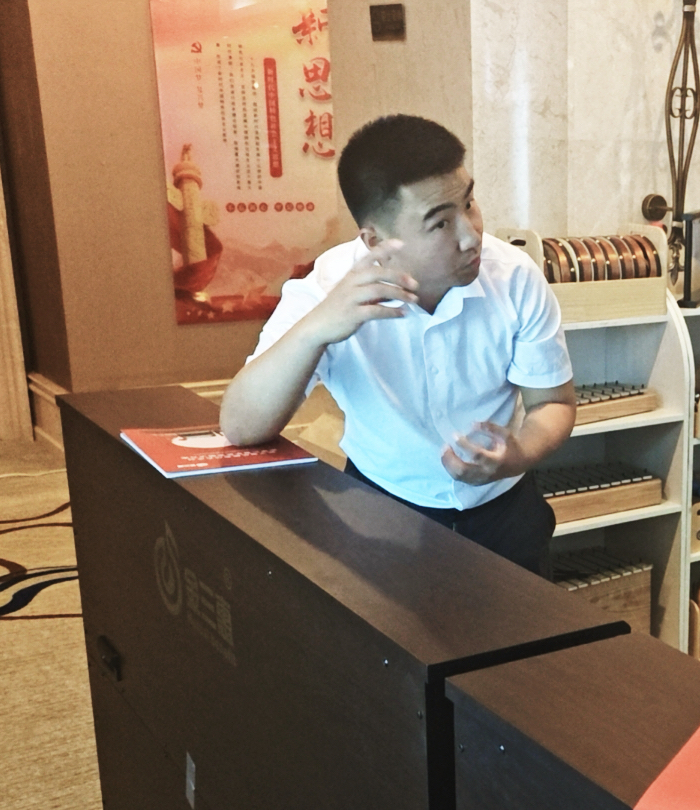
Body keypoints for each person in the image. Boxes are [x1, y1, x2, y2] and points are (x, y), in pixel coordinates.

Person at [220, 114, 575, 575]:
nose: (471, 235)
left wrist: (519, 453)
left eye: (469, 204)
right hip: (380, 512)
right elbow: (240, 426)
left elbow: (553, 403)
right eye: (440, 223)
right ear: (376, 241)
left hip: (506, 512)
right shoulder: (327, 289)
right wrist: (316, 328)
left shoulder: (514, 276)